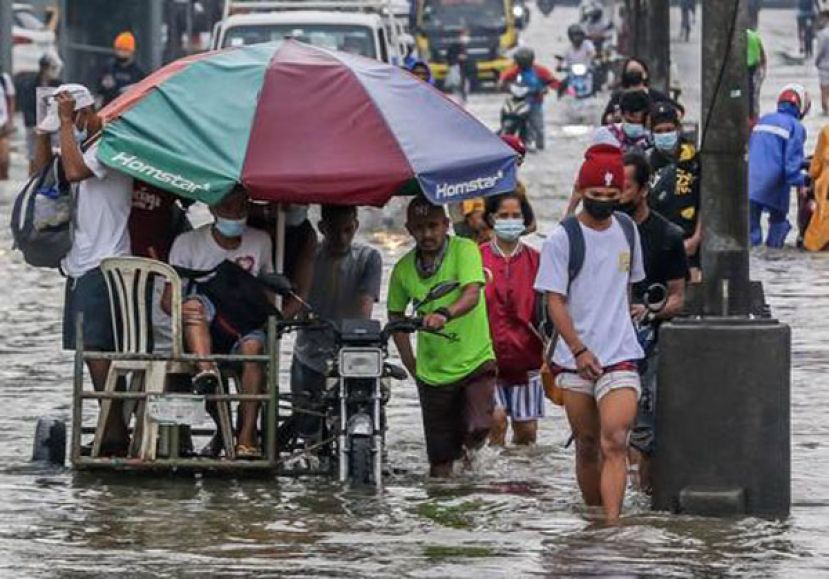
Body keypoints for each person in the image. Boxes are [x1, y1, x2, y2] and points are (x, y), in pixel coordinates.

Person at [534, 144, 645, 521]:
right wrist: (579, 350)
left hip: (619, 355)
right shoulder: (561, 240)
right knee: (586, 444)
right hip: (574, 358)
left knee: (615, 440)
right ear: (581, 192)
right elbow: (554, 301)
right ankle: (594, 518)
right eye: (596, 196)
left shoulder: (628, 230)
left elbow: (627, 286)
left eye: (612, 197)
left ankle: (612, 527)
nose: (604, 203)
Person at [34, 85, 133, 456]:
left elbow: (74, 171)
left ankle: (113, 431)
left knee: (99, 351)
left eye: (71, 120)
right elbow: (43, 174)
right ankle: (113, 428)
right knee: (90, 352)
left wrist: (63, 124)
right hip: (79, 263)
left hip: (105, 263)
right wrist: (44, 133)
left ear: (85, 113)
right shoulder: (80, 146)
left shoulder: (109, 146)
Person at [388, 197, 496, 477]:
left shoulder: (465, 249)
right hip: (433, 373)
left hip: (475, 361)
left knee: (479, 427)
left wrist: (445, 314)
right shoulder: (402, 270)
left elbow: (472, 293)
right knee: (439, 465)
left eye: (433, 226)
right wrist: (411, 364)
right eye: (420, 227)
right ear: (409, 229)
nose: (427, 234)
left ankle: (472, 466)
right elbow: (396, 318)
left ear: (446, 225)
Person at [165, 188, 274, 458]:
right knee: (195, 304)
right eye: (228, 209)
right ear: (213, 210)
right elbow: (168, 301)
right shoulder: (187, 243)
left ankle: (246, 436)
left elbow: (269, 295)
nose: (235, 216)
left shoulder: (260, 241)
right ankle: (206, 371)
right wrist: (186, 310)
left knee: (253, 350)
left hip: (243, 325)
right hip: (202, 327)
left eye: (241, 209)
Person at [619, 152, 688, 492]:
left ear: (644, 189)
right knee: (606, 436)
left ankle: (642, 506)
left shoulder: (668, 236)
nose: (616, 194)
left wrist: (650, 311)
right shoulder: (600, 233)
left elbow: (680, 297)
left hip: (650, 348)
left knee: (645, 437)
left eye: (625, 186)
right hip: (606, 347)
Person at [291, 205, 382, 445]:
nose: (341, 237)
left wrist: (360, 332)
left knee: (370, 405)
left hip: (351, 351)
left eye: (347, 230)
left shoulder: (368, 258)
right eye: (334, 230)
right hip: (310, 350)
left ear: (356, 226)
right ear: (322, 228)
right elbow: (297, 297)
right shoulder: (309, 256)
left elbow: (366, 305)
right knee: (306, 422)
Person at [480, 193, 543, 446]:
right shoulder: (477, 258)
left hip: (526, 358)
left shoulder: (536, 260)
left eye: (515, 215)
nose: (510, 220)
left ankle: (520, 482)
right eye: (503, 216)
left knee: (527, 433)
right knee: (495, 423)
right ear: (491, 219)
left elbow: (549, 308)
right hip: (486, 359)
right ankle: (492, 483)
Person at [749, 84, 810, 248]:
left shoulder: (764, 120)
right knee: (778, 223)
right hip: (773, 184)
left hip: (749, 183)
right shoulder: (796, 127)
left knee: (750, 235)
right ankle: (775, 260)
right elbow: (791, 167)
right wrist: (804, 181)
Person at [647, 102, 702, 281]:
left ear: (678, 129)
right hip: (656, 246)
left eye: (668, 129)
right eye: (659, 131)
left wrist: (696, 239)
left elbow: (707, 204)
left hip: (690, 245)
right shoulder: (645, 163)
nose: (664, 135)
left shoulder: (695, 161)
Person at [498, 47, 558, 151]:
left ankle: (540, 145)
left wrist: (546, 88)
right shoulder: (515, 71)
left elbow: (552, 81)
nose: (521, 64)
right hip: (518, 101)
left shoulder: (540, 70)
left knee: (537, 126)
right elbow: (503, 79)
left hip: (535, 102)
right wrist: (503, 85)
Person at [18, 53, 62, 175]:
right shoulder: (30, 84)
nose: (55, 71)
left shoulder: (59, 84)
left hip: (54, 128)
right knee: (33, 157)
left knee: (54, 156)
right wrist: (33, 124)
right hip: (34, 127)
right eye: (52, 68)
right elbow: (27, 105)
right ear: (44, 68)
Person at [601, 58, 680, 125]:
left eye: (637, 71)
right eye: (631, 71)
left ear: (645, 74)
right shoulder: (618, 96)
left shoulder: (654, 95)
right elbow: (605, 119)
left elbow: (678, 110)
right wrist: (615, 117)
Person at [97, 32, 146, 107]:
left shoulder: (138, 72)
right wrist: (103, 85)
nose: (121, 53)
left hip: (127, 110)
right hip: (108, 108)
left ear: (131, 52)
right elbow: (99, 90)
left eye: (125, 50)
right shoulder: (108, 67)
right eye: (119, 49)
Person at [804, 124, 829, 250]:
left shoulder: (826, 131)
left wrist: (809, 179)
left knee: (815, 240)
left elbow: (815, 168)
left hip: (826, 191)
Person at [748, 28, 767, 125]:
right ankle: (755, 118)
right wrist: (763, 69)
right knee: (754, 96)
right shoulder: (754, 36)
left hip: (747, 70)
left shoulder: (741, 37)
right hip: (755, 69)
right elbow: (763, 55)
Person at [0, 64, 16, 180]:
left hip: (3, 123)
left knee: (4, 160)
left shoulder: (4, 79)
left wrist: (10, 120)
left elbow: (11, 99)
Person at [815, 14, 829, 116]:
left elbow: (820, 51)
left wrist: (816, 61)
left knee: (824, 89)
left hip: (824, 65)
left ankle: (825, 110)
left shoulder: (823, 34)